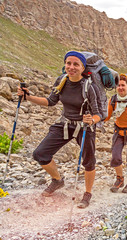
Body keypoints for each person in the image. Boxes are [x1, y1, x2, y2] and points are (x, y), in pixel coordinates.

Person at [17, 51, 101, 208]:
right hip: (65, 124)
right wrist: (28, 98)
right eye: (68, 63)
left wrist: (91, 120)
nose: (71, 67)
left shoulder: (89, 87)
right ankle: (57, 180)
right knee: (40, 154)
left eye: (76, 64)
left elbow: (98, 114)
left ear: (83, 67)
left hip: (84, 127)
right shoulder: (61, 81)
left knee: (88, 161)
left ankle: (87, 193)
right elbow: (50, 101)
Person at [104, 73, 127, 193]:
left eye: (123, 85)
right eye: (118, 85)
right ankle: (120, 179)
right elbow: (107, 116)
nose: (120, 87)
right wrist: (96, 119)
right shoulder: (113, 100)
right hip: (118, 131)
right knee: (115, 157)